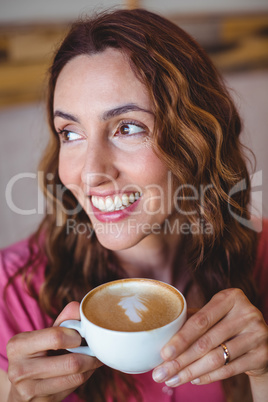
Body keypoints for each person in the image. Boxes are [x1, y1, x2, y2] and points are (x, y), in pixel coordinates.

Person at [0, 8, 267, 402]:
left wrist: (263, 374)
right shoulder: (13, 290)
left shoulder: (261, 255)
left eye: (127, 127)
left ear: (196, 137)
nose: (90, 174)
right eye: (70, 133)